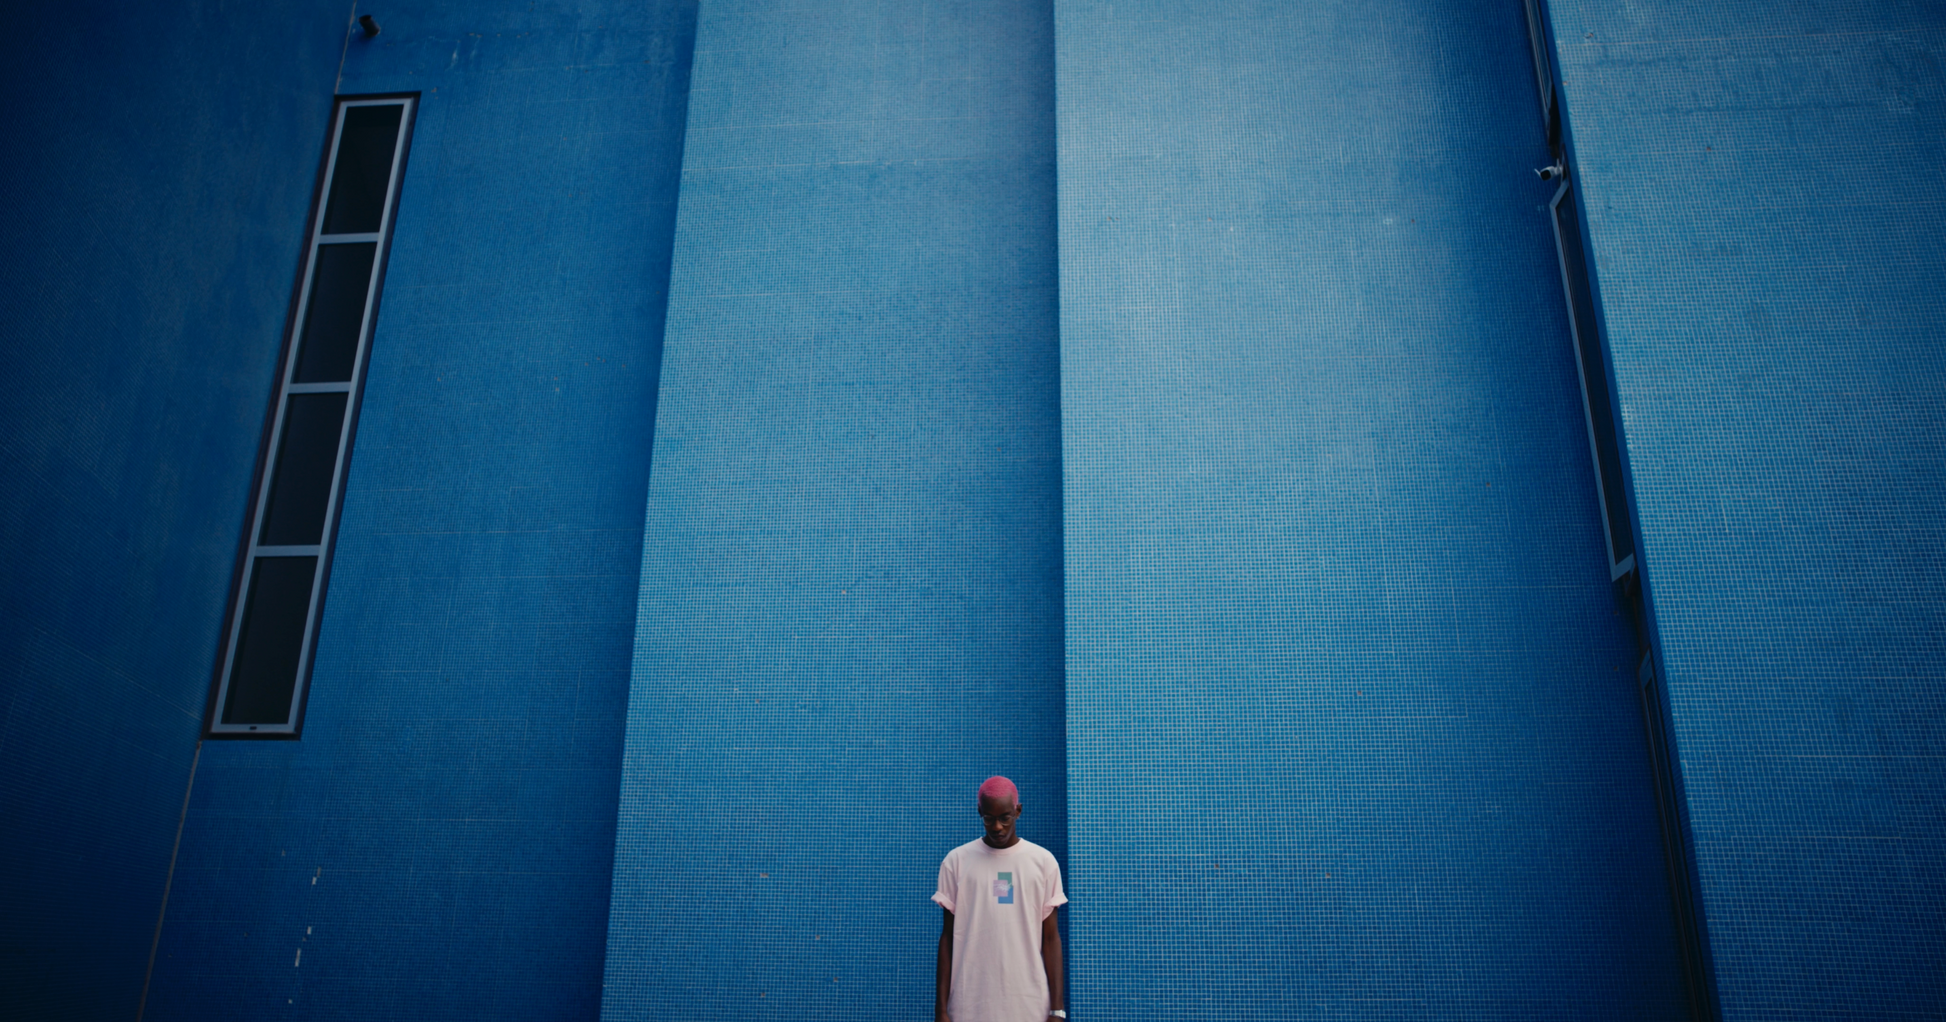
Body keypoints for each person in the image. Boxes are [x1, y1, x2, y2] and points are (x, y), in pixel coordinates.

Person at [933, 776, 1067, 1022]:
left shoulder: (1043, 862)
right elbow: (948, 938)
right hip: (968, 1006)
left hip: (1030, 1007)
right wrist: (941, 1010)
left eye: (1005, 817)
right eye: (989, 818)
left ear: (1018, 811)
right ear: (979, 812)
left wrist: (1057, 1010)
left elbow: (1050, 938)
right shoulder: (956, 862)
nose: (997, 827)